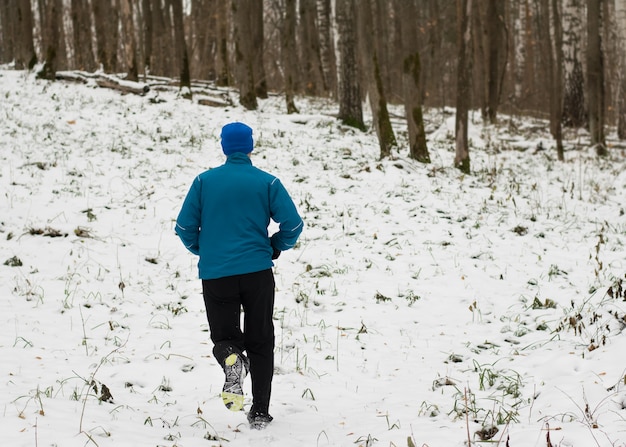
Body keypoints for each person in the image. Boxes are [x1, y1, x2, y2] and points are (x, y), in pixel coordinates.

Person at [175, 122, 303, 430]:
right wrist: (274, 246)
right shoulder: (267, 183)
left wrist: (203, 250)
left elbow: (183, 227)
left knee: (224, 336)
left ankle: (233, 356)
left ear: (223, 147)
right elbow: (294, 225)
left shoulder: (204, 182)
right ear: (250, 147)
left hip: (217, 274)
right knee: (260, 338)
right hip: (257, 272)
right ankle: (260, 410)